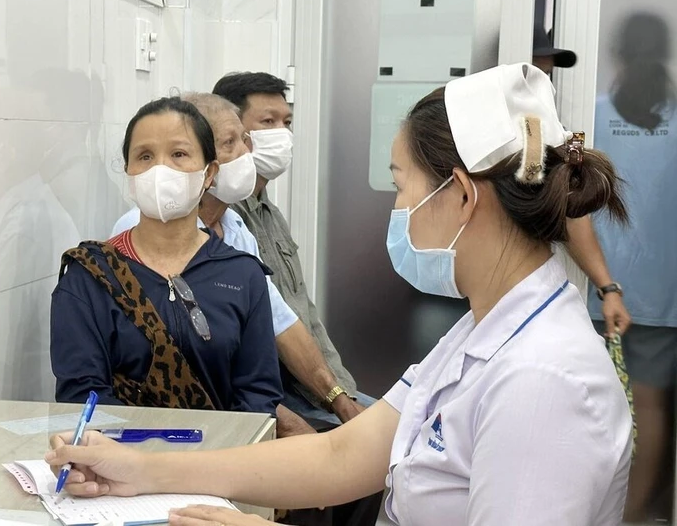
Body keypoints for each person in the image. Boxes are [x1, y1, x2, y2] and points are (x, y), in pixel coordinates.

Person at [46, 63, 634, 525]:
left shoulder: (543, 382)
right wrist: (140, 470)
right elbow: (342, 456)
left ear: (460, 194)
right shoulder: (482, 333)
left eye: (401, 184)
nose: (397, 209)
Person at [111, 93, 383, 526]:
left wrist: (340, 402)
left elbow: (283, 321)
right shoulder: (136, 240)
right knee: (327, 470)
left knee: (367, 460)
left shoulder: (236, 227)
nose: (248, 153)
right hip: (192, 418)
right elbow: (193, 361)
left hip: (253, 401)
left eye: (245, 140)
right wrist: (291, 427)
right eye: (232, 142)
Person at [50, 97, 283, 417]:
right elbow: (82, 396)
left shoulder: (242, 275)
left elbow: (259, 395)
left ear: (209, 173)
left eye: (179, 154)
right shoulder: (89, 277)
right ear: (129, 172)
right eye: (144, 156)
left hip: (222, 459)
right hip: (119, 458)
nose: (160, 170)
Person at [211, 72, 375, 425]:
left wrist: (342, 390)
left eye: (286, 122)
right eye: (267, 122)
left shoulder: (269, 215)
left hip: (321, 391)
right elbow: (271, 330)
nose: (282, 134)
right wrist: (337, 402)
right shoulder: (220, 219)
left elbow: (303, 314)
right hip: (284, 400)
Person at [590, 11, 677, 522]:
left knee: (588, 411)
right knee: (649, 410)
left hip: (595, 293)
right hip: (661, 297)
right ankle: (628, 517)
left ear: (617, 55)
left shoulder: (591, 114)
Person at [531, 26, 632, 337]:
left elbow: (574, 211)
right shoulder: (477, 134)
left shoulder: (562, 134)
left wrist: (608, 288)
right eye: (531, 73)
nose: (539, 85)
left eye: (544, 75)